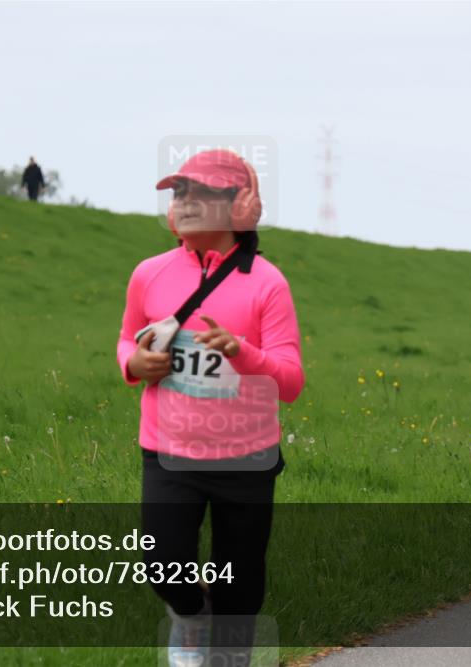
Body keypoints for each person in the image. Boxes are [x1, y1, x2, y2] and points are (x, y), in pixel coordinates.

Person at [116, 149, 305, 666]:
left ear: (240, 206)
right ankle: (192, 620)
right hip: (168, 451)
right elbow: (127, 341)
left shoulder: (267, 283)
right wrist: (135, 364)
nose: (184, 203)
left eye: (200, 193)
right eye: (179, 193)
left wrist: (242, 352)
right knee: (161, 564)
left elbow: (290, 382)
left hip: (246, 459)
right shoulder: (149, 274)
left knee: (240, 587)